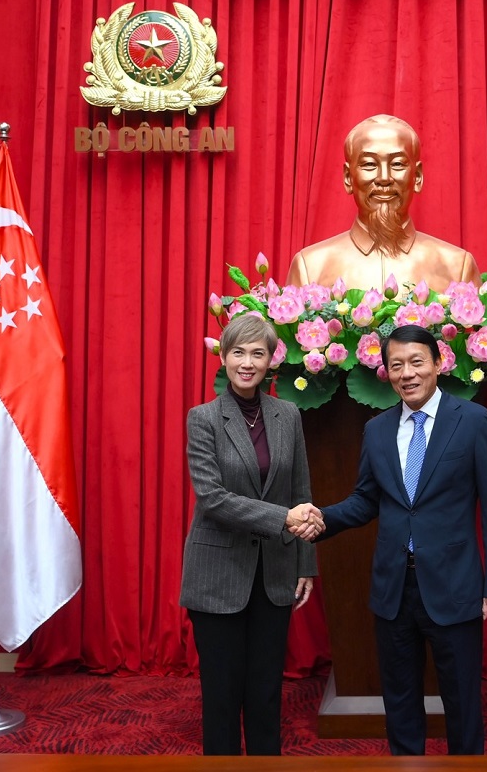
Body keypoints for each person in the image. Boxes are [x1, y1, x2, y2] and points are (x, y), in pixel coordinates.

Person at [313, 324, 487, 755]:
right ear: (386, 372)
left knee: (462, 700)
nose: (407, 373)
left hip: (454, 584)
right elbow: (364, 501)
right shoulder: (377, 430)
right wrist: (319, 519)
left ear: (438, 363)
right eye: (396, 365)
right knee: (400, 700)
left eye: (417, 362)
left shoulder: (473, 422)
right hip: (393, 588)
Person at [180, 313, 323, 755]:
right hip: (217, 573)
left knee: (265, 695)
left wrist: (305, 563)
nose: (247, 362)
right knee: (222, 697)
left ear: (271, 360)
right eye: (238, 352)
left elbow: (301, 491)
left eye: (257, 353)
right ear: (223, 357)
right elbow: (213, 499)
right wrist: (283, 518)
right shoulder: (203, 418)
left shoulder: (288, 415)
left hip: (275, 573)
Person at [285, 114, 481, 293]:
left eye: (397, 164)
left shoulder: (457, 267)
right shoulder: (310, 267)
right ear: (348, 177)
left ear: (418, 176)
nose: (384, 178)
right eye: (369, 164)